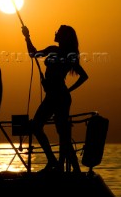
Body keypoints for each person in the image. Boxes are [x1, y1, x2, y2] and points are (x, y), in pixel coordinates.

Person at [22, 25, 88, 172]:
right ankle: (69, 167)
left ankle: (55, 162)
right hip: (58, 95)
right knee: (62, 134)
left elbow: (84, 76)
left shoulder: (59, 52)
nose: (55, 33)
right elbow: (34, 54)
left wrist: (66, 90)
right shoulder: (61, 52)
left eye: (58, 32)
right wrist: (27, 37)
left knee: (37, 126)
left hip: (57, 96)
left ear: (64, 36)